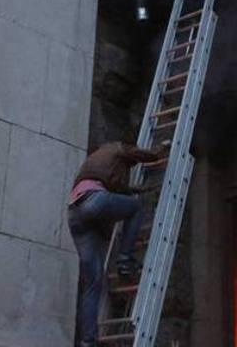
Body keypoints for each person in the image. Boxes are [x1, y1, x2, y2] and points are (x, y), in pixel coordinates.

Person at [68, 141, 163, 347]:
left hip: (75, 213)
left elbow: (113, 186)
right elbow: (135, 154)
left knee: (92, 283)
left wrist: (130, 189)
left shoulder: (96, 159)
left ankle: (88, 341)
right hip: (95, 201)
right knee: (136, 208)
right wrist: (157, 154)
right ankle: (124, 261)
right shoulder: (118, 147)